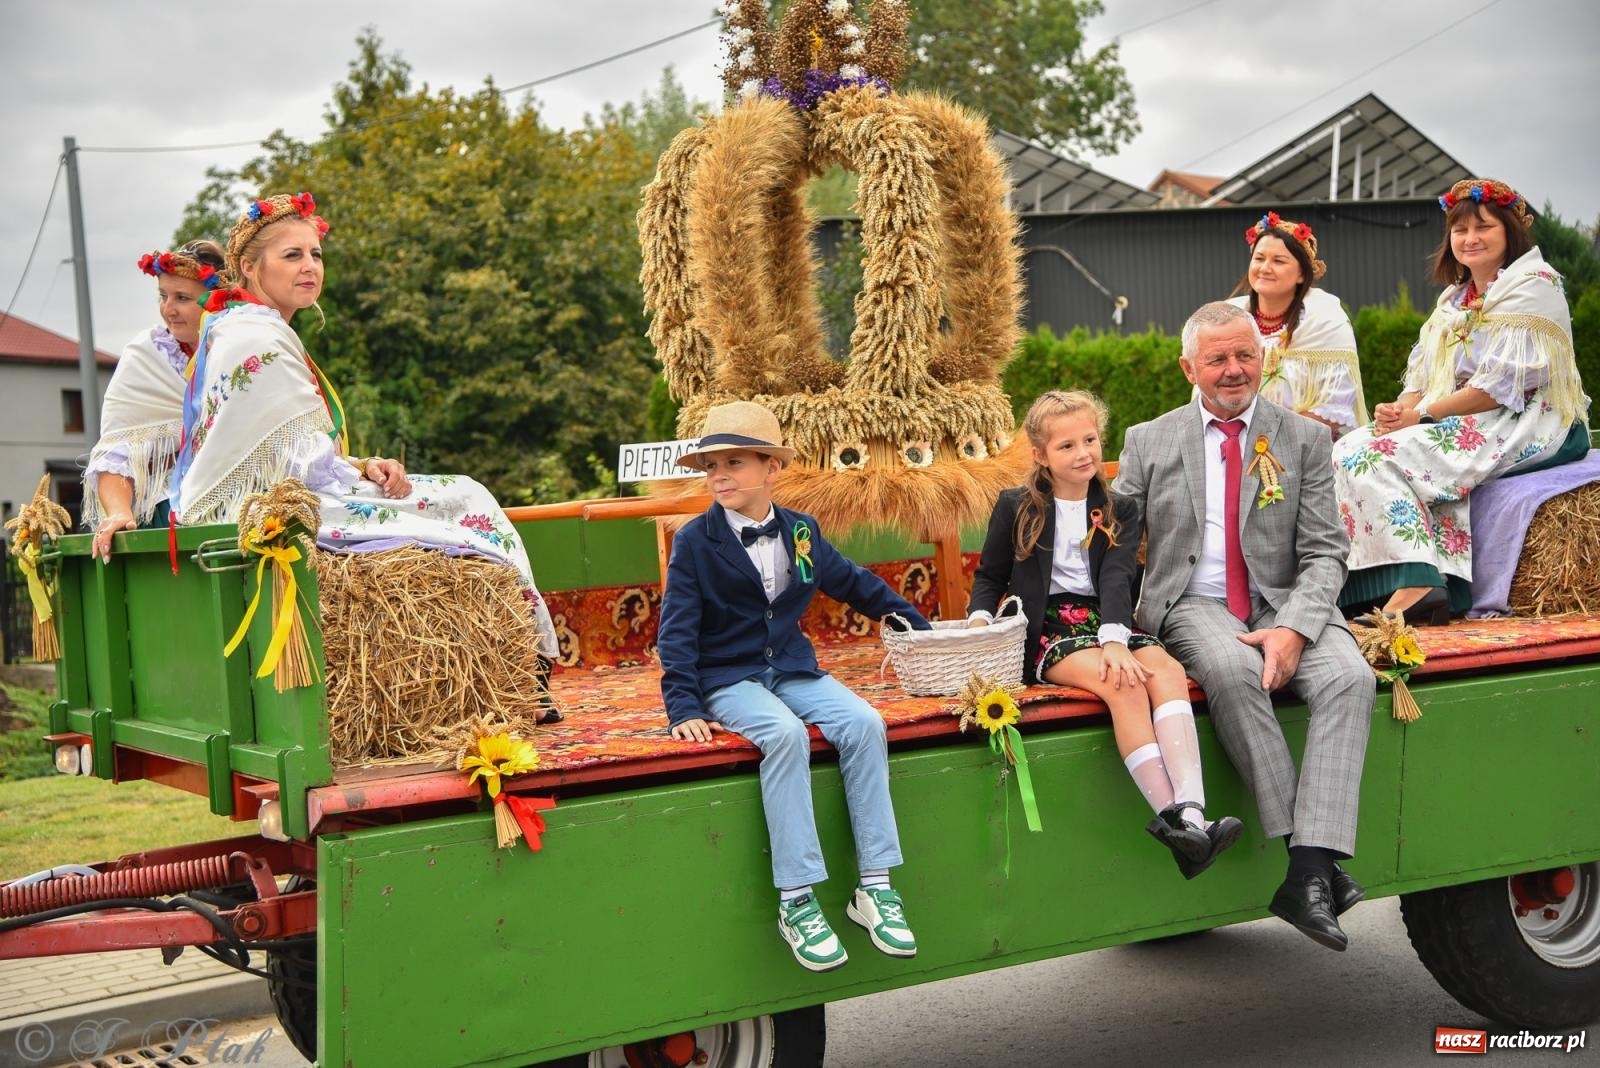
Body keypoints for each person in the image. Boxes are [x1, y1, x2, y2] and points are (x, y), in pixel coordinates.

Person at [168, 192, 562, 716]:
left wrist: (364, 466)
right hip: (280, 512)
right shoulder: (253, 336)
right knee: (465, 497)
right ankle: (526, 675)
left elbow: (296, 446)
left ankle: (517, 673)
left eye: (316, 254)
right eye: (292, 255)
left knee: (454, 494)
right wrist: (360, 475)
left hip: (277, 499)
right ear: (248, 267)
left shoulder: (248, 327)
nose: (310, 267)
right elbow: (296, 464)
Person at [1114, 301, 1376, 952]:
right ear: (1188, 367)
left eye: (1245, 356)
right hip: (1193, 601)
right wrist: (1101, 626)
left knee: (1350, 676)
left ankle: (1307, 871)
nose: (1234, 370)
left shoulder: (1305, 439)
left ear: (1263, 358)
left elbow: (1325, 551)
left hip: (1285, 599)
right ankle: (1314, 868)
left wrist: (1293, 629)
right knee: (1233, 670)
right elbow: (1114, 549)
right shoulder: (1148, 440)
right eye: (1217, 359)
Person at [658, 400, 932, 972]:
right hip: (726, 676)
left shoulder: (801, 532)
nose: (720, 476)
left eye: (734, 462)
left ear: (771, 469)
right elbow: (677, 630)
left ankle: (874, 885)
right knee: (783, 735)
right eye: (711, 467)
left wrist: (917, 626)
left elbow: (853, 583)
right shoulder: (693, 542)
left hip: (791, 665)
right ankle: (797, 900)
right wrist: (683, 702)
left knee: (864, 723)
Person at [967, 389, 1243, 878]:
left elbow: (1118, 576)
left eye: (1090, 440)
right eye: (1067, 446)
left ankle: (1193, 818)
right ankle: (1170, 816)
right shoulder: (1016, 506)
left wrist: (1116, 637)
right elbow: (990, 575)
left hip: (1108, 617)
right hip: (1048, 627)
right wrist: (979, 623)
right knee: (1124, 683)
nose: (1083, 454)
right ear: (1041, 456)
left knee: (1166, 668)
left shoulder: (1121, 507)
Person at [1333, 178, 1590, 623]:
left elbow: (1499, 388)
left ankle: (1418, 583)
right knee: (1349, 447)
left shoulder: (1534, 285)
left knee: (1376, 459)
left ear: (1510, 231)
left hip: (1527, 419)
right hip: (1461, 413)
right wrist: (1400, 411)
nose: (1469, 239)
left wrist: (1423, 414)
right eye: (1459, 231)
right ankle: (1409, 585)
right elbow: (1425, 373)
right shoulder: (1454, 299)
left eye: (1483, 228)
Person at [84, 242, 226, 559]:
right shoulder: (147, 357)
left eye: (183, 298)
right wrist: (119, 511)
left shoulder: (244, 349)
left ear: (217, 300)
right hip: (172, 516)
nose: (168, 309)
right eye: (163, 296)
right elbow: (116, 452)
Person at [1226, 213, 1366, 437]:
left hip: (1307, 444)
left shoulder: (1325, 318)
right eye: (1259, 258)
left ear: (1302, 274)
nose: (1265, 268)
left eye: (1278, 261)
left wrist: (1274, 436)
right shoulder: (1228, 319)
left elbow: (1336, 403)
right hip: (1235, 440)